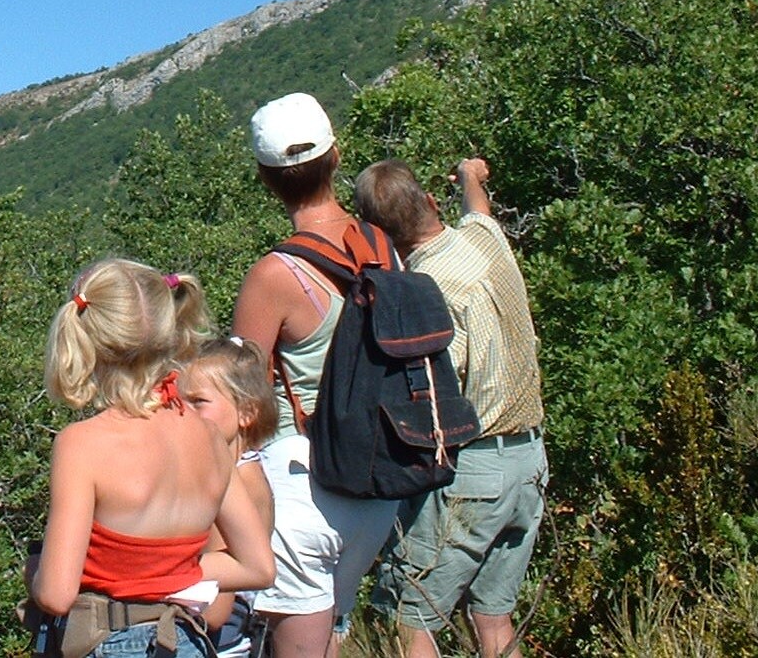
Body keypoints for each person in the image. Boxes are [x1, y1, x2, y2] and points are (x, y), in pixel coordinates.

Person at [28, 260, 275, 658]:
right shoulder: (209, 437)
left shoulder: (82, 444)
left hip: (110, 640)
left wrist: (35, 573)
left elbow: (57, 594)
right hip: (184, 641)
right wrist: (172, 572)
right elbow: (259, 567)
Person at [354, 158, 547, 658]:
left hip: (475, 470)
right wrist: (469, 176)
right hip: (530, 462)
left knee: (410, 617)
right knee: (494, 616)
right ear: (432, 204)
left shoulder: (424, 292)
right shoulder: (486, 241)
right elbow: (478, 210)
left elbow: (438, 396)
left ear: (378, 237)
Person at [230, 92, 401, 657]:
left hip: (303, 485)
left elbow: (242, 400)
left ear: (265, 178)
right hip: (379, 484)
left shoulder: (274, 276)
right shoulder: (383, 248)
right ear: (337, 156)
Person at [179, 335, 278, 657]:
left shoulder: (241, 487)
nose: (183, 412)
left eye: (198, 402)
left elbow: (215, 610)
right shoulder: (229, 472)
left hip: (215, 642)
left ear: (246, 412)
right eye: (178, 401)